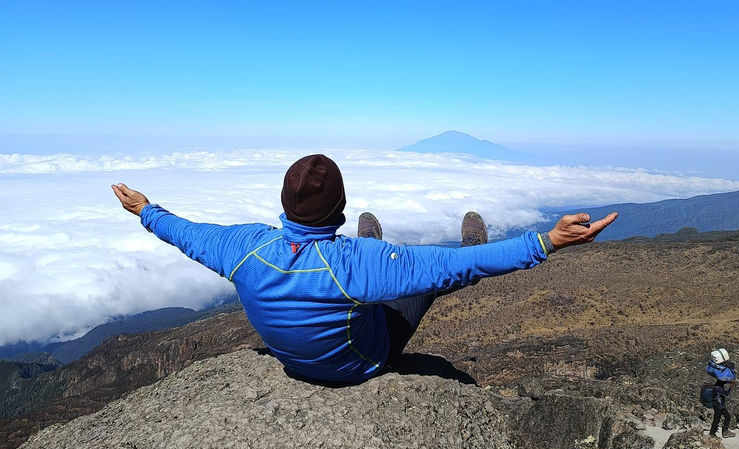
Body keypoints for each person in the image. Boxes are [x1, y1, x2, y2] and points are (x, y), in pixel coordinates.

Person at [112, 154, 617, 383]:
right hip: (358, 364)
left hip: (293, 364)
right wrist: (548, 241)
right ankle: (382, 246)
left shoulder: (243, 246)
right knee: (433, 279)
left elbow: (187, 232)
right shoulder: (353, 268)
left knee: (381, 273)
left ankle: (375, 244)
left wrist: (145, 209)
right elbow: (460, 265)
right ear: (340, 213)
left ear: (283, 207)